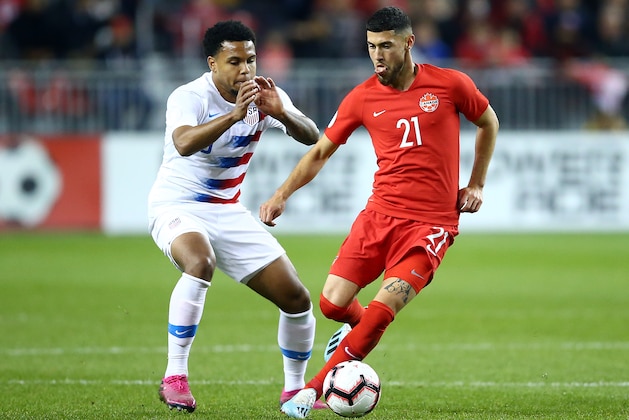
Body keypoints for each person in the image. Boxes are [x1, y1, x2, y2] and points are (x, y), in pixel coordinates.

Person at [259, 6, 499, 418]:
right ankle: (359, 329)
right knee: (333, 305)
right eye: (371, 47)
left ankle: (311, 393)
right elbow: (319, 152)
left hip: (431, 225)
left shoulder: (450, 84)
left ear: (408, 43)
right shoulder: (362, 97)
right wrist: (281, 194)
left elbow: (488, 122)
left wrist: (475, 183)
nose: (377, 55)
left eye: (386, 45)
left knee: (383, 309)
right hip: (379, 216)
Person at [147, 20, 327, 413]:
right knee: (200, 262)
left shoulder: (264, 93)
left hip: (227, 210)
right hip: (176, 204)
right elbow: (183, 143)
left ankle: (294, 393)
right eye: (234, 61)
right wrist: (233, 115)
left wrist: (283, 112)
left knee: (297, 299)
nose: (245, 69)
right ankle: (174, 376)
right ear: (213, 64)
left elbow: (313, 136)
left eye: (250, 59)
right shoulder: (188, 96)